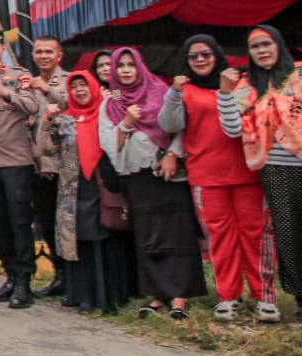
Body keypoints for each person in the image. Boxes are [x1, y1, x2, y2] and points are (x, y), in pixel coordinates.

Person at [159, 35, 276, 322]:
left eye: (206, 54)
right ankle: (228, 297)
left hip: (247, 174)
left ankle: (264, 298)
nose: (199, 60)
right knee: (220, 240)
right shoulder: (185, 90)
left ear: (217, 55)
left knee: (256, 236)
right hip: (206, 176)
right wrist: (173, 93)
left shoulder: (240, 84)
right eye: (193, 56)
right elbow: (170, 125)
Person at [103, 47, 206, 319]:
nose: (126, 70)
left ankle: (180, 297)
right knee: (149, 237)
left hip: (169, 174)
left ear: (140, 67)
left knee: (178, 234)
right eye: (120, 66)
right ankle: (158, 295)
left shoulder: (160, 91)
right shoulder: (111, 103)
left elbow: (182, 127)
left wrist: (172, 154)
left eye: (131, 65)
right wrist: (126, 124)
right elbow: (110, 147)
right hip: (137, 179)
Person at [220, 25, 300, 324]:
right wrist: (226, 94)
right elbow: (230, 129)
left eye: (267, 44)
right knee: (289, 236)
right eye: (255, 47)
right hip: (275, 170)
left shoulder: (300, 76)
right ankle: (300, 298)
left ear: (279, 45)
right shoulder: (247, 86)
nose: (262, 51)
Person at [40, 71, 132, 315]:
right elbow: (46, 150)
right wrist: (46, 121)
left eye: (84, 85)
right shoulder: (65, 119)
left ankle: (107, 297)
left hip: (102, 186)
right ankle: (83, 296)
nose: (80, 90)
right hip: (73, 189)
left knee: (104, 242)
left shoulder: (107, 114)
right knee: (78, 242)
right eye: (75, 86)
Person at [0, 28, 41, 309]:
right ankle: (11, 275)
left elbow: (33, 105)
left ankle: (25, 280)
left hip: (16, 161)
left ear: (2, 48)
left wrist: (6, 93)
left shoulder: (18, 76)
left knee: (19, 221)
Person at [30, 35, 69, 298]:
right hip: (37, 164)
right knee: (46, 221)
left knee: (67, 223)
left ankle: (74, 276)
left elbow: (70, 105)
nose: (43, 56)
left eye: (48, 52)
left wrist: (46, 89)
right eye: (39, 52)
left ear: (59, 55)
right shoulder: (29, 84)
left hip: (66, 165)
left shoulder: (68, 81)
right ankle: (60, 275)